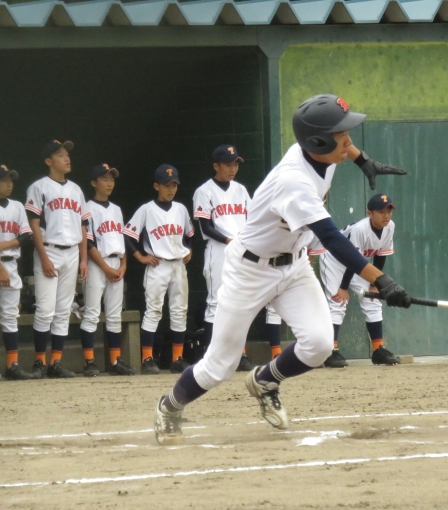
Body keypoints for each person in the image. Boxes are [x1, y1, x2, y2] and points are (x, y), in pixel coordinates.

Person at [153, 94, 410, 445]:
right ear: (317, 142)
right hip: (250, 270)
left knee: (319, 344)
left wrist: (364, 161)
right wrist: (382, 280)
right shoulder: (294, 181)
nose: (348, 141)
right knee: (220, 366)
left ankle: (265, 381)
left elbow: (345, 148)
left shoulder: (324, 153)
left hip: (293, 265)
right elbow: (332, 239)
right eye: (341, 135)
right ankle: (169, 406)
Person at [25, 140, 90, 379]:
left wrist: (84, 259)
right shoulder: (38, 187)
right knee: (45, 309)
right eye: (60, 155)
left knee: (63, 310)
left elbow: (83, 226)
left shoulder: (76, 190)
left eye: (67, 154)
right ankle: (39, 362)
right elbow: (33, 225)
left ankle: (56, 363)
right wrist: (43, 257)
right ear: (48, 161)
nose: (67, 158)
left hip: (72, 251)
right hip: (49, 249)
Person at [123, 164, 193, 375]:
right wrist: (140, 256)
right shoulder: (146, 209)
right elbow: (128, 235)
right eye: (166, 185)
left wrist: (189, 249)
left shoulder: (181, 209)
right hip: (158, 264)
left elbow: (190, 234)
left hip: (178, 264)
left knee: (179, 310)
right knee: (153, 310)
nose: (171, 189)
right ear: (156, 186)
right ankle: (147, 359)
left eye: (174, 185)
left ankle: (177, 358)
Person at [192, 145, 255, 372]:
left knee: (242, 303)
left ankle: (240, 354)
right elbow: (206, 227)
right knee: (216, 302)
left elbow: (252, 221)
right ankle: (213, 356)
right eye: (228, 164)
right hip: (219, 249)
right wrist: (230, 240)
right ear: (216, 166)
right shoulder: (204, 191)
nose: (233, 169)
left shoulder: (241, 190)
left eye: (236, 164)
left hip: (241, 250)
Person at [320, 194, 400, 368]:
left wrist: (375, 283)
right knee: (338, 302)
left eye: (389, 211)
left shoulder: (390, 226)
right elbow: (350, 259)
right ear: (369, 213)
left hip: (357, 263)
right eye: (381, 212)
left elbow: (381, 255)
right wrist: (343, 287)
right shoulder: (360, 229)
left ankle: (378, 350)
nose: (386, 216)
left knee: (373, 300)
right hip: (335, 260)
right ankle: (330, 351)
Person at [79, 164, 135, 376]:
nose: (109, 183)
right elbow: (88, 242)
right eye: (104, 179)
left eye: (111, 179)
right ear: (94, 183)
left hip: (116, 263)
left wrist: (123, 264)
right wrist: (104, 268)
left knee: (114, 315)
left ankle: (115, 361)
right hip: (97, 264)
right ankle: (89, 362)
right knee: (92, 314)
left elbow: (122, 239)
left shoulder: (116, 209)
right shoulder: (87, 207)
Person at [0, 165, 34, 380]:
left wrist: (5, 245)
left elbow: (26, 236)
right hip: (3, 266)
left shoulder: (17, 206)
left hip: (11, 263)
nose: (9, 184)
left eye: (11, 180)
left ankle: (12, 366)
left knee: (10, 317)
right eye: (4, 180)